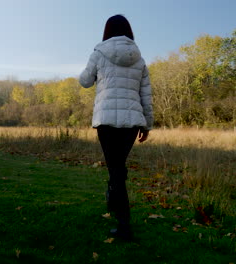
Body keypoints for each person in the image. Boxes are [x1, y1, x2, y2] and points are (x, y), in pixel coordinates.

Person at [79, 14, 153, 241]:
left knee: (116, 171)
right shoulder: (139, 59)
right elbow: (146, 95)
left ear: (107, 31)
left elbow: (84, 81)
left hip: (107, 121)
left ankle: (124, 226)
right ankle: (113, 199)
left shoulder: (99, 53)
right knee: (117, 167)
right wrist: (147, 124)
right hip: (132, 122)